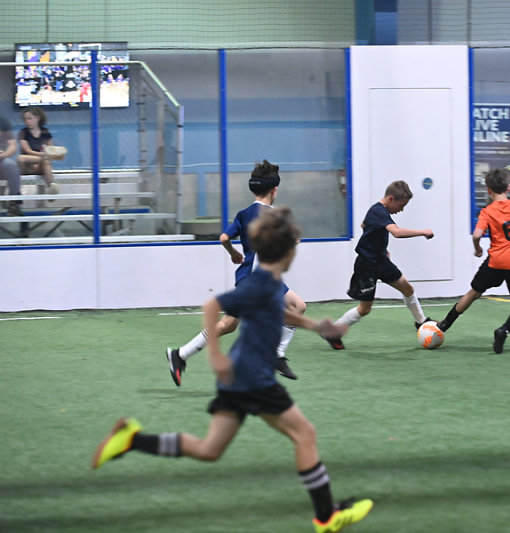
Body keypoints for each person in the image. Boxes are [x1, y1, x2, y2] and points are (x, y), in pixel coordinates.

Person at [92, 207, 373, 533]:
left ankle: (132, 440)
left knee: (209, 449)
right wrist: (214, 356)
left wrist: (316, 326)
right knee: (304, 434)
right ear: (287, 252)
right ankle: (326, 516)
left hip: (239, 378)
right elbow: (213, 305)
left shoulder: (268, 282)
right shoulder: (261, 283)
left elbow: (279, 312)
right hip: (254, 378)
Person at [166, 161, 304, 384]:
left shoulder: (243, 214)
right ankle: (275, 355)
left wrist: (233, 253)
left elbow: (223, 238)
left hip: (249, 277)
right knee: (294, 308)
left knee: (229, 324)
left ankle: (180, 355)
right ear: (274, 190)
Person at [436, 168, 510, 353]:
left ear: (488, 190)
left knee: (474, 292)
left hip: (495, 262)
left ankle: (445, 324)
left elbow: (477, 234)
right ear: (508, 187)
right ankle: (504, 330)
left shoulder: (487, 211)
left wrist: (477, 248)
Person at [331, 180, 434, 347]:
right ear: (391, 198)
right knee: (365, 309)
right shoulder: (378, 211)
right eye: (401, 205)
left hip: (381, 261)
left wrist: (379, 247)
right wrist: (423, 232)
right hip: (367, 265)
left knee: (408, 289)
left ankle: (421, 322)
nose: (401, 209)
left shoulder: (379, 212)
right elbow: (397, 233)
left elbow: (364, 225)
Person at [17, 107, 60, 196]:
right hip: (27, 164)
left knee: (46, 162)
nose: (27, 121)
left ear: (37, 118)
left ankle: (51, 187)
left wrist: (51, 153)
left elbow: (50, 148)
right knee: (20, 158)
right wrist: (42, 155)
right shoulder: (23, 132)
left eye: (29, 118)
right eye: (25, 119)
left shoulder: (45, 132)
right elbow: (28, 151)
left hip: (41, 164)